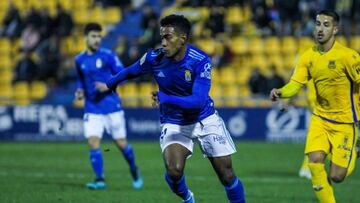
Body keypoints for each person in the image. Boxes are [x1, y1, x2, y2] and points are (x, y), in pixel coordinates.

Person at [97, 14, 246, 203]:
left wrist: (164, 97)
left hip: (204, 118)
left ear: (182, 38)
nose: (163, 43)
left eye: (168, 37)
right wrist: (110, 84)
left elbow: (197, 101)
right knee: (174, 170)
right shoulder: (154, 58)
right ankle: (187, 197)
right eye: (162, 37)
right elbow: (130, 71)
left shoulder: (200, 61)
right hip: (175, 121)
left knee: (227, 175)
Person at [270, 10, 359, 203]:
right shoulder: (307, 56)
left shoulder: (348, 57)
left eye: (326, 25)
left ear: (335, 29)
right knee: (315, 161)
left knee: (337, 176)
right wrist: (281, 92)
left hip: (345, 123)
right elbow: (296, 84)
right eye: (318, 24)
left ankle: (356, 148)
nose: (320, 29)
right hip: (320, 119)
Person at [74, 23, 143, 190]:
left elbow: (124, 75)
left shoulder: (108, 56)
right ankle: (100, 179)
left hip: (112, 107)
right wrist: (79, 91)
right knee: (93, 141)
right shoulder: (79, 60)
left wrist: (108, 85)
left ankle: (134, 168)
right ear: (86, 38)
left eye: (99, 36)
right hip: (92, 107)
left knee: (121, 144)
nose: (97, 39)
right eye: (93, 36)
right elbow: (80, 81)